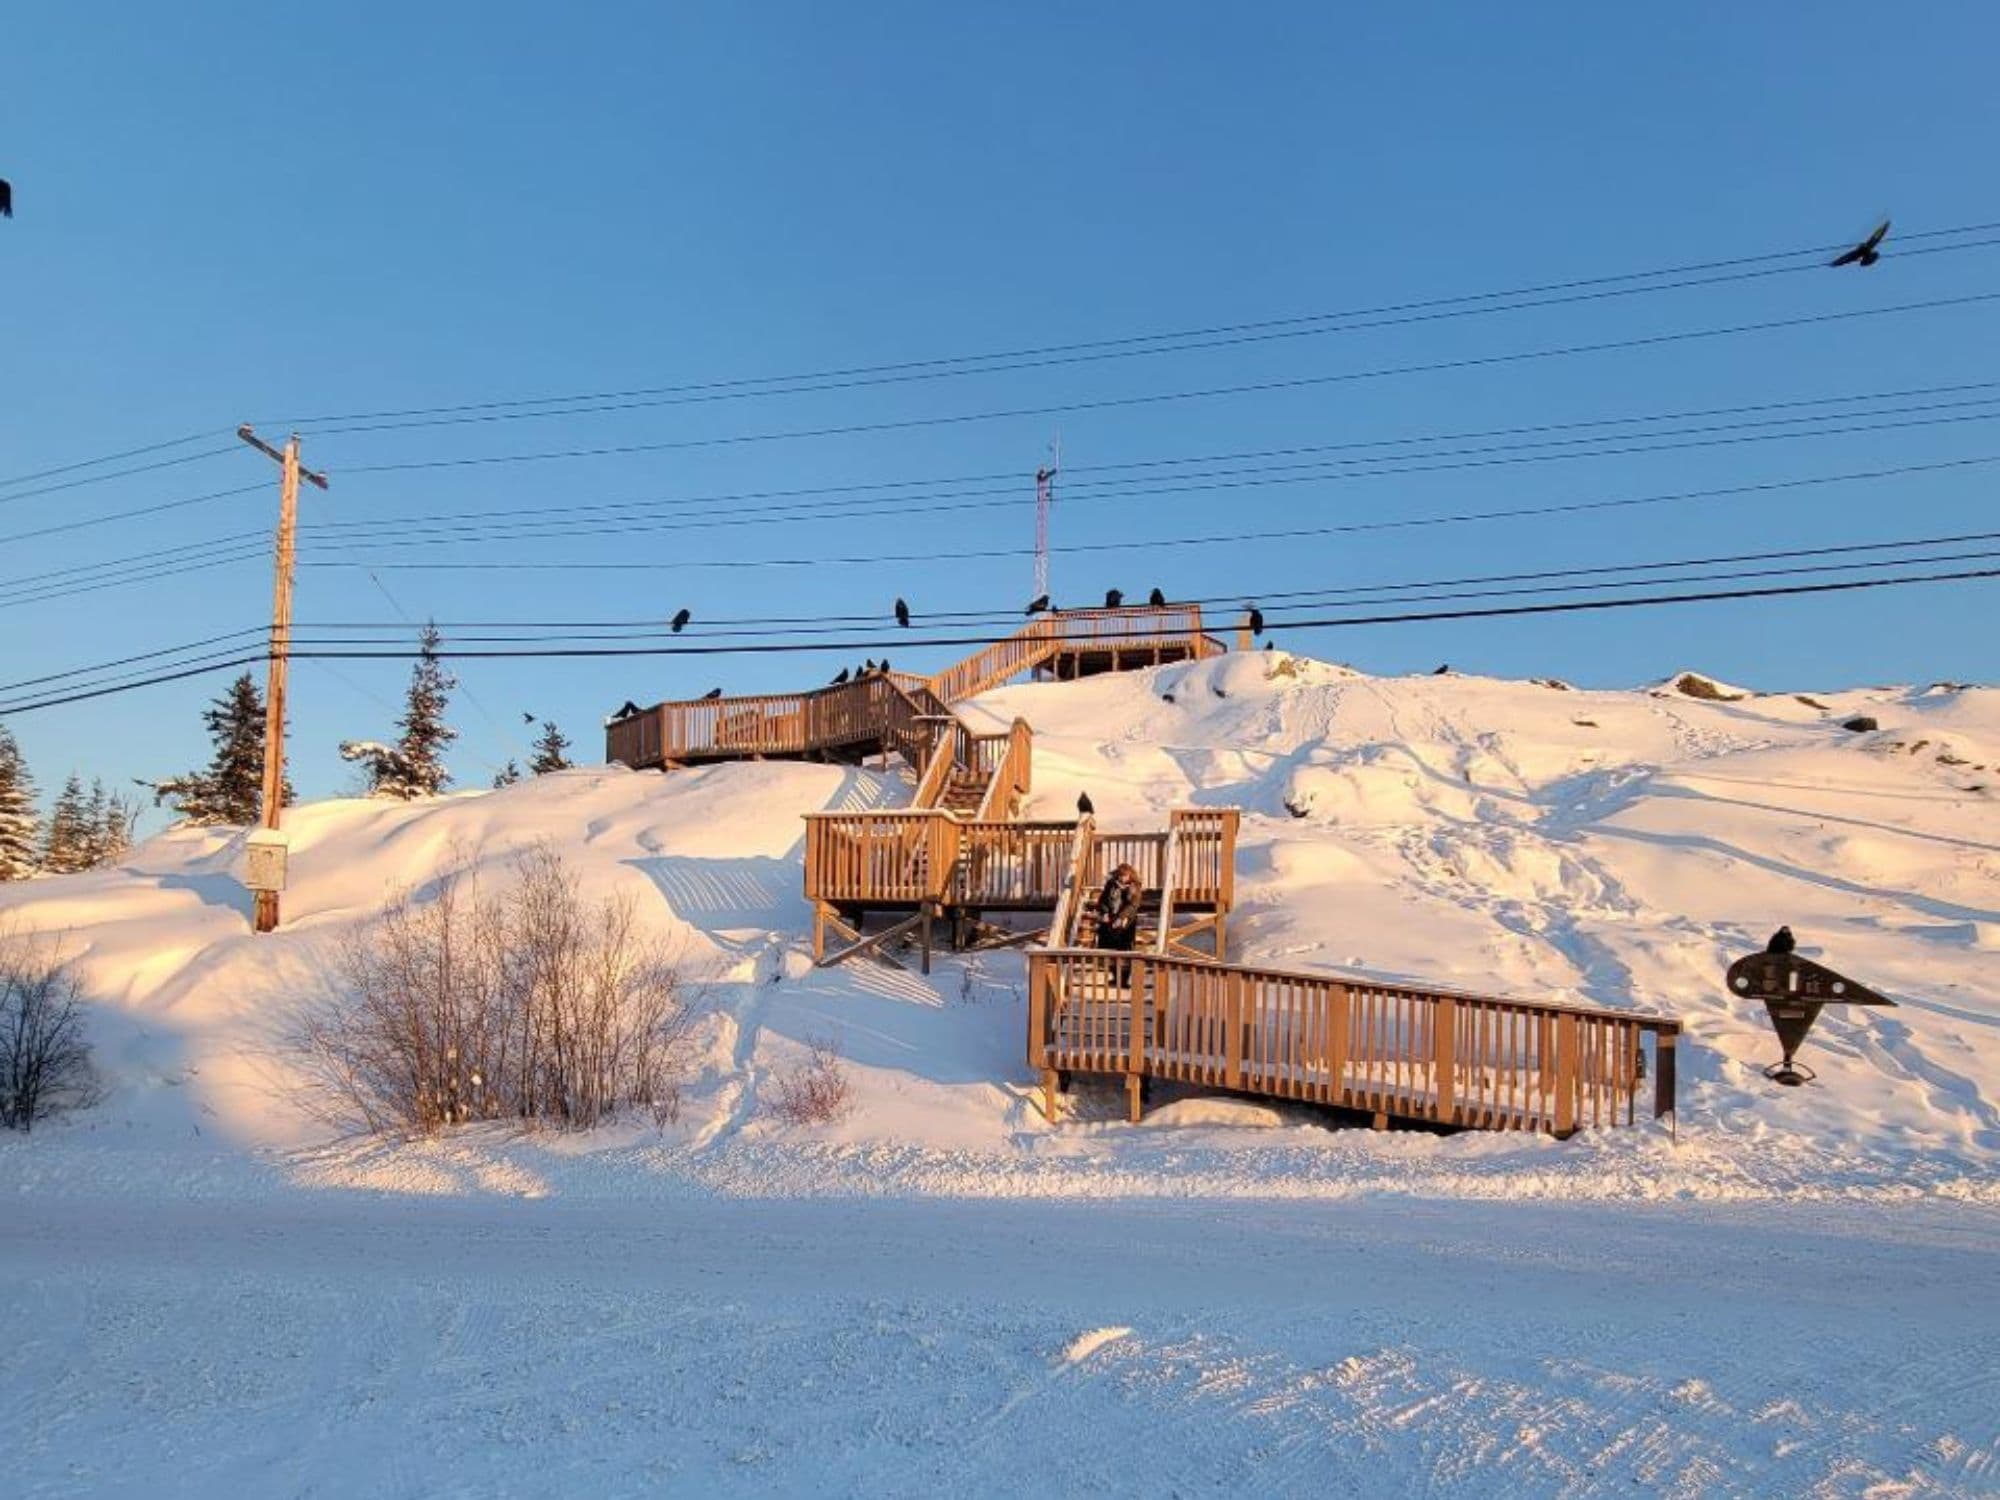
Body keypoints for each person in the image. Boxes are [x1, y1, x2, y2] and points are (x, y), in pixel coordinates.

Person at [1095, 862, 1142, 983]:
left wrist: (1121, 918)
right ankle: (1115, 977)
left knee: (1125, 950)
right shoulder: (1111, 884)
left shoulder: (1135, 886)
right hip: (1110, 921)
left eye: (1125, 875)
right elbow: (1103, 901)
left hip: (1125, 923)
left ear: (1130, 875)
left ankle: (1124, 980)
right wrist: (1104, 912)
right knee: (1109, 950)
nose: (1122, 878)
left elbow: (1133, 905)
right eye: (1121, 875)